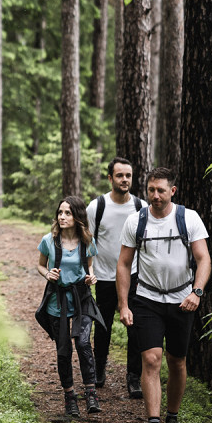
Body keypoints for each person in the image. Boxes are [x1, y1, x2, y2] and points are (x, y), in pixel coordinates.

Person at [116, 168, 212, 423]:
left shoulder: (188, 218)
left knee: (177, 361)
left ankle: (173, 417)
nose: (155, 196)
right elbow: (123, 264)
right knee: (151, 359)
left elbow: (203, 259)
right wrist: (124, 305)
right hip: (147, 299)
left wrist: (197, 292)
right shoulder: (136, 221)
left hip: (182, 300)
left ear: (173, 191)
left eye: (160, 190)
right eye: (150, 190)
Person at [36, 196, 102, 417]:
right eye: (60, 212)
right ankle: (70, 398)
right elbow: (40, 265)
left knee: (83, 344)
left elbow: (89, 267)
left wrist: (91, 278)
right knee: (63, 351)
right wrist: (48, 274)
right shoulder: (49, 240)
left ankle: (91, 393)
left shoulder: (86, 242)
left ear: (77, 217)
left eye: (68, 213)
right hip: (58, 302)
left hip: (82, 299)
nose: (62, 217)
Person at [87, 157, 145, 397]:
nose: (125, 180)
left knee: (137, 329)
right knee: (102, 328)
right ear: (110, 178)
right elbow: (88, 242)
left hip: (135, 278)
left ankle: (134, 378)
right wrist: (88, 272)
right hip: (104, 278)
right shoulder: (96, 207)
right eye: (120, 175)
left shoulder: (141, 207)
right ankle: (99, 369)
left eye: (128, 175)